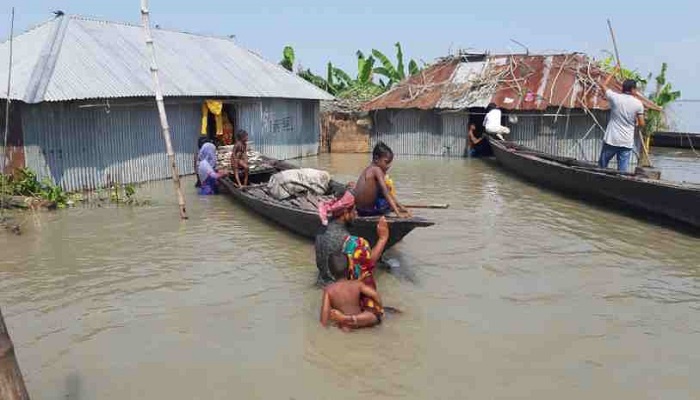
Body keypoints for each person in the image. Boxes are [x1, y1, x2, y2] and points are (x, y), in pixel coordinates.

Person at [315, 198, 389, 285]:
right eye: (354, 211)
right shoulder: (355, 242)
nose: (356, 214)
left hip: (322, 286)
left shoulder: (320, 232)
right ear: (346, 213)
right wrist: (383, 238)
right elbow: (367, 265)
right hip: (343, 292)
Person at [319, 251, 383, 331]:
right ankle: (348, 318)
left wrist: (323, 324)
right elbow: (374, 294)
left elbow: (324, 313)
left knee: (343, 327)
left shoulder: (329, 290)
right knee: (372, 315)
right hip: (360, 320)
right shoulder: (357, 284)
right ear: (350, 268)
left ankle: (344, 319)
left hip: (346, 325)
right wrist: (380, 308)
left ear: (330, 272)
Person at [598, 69, 645, 172]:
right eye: (635, 89)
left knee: (602, 166)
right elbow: (642, 123)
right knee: (622, 171)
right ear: (633, 89)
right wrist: (636, 123)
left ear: (623, 88)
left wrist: (614, 71)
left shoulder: (615, 98)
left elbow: (603, 85)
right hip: (626, 141)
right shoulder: (638, 104)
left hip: (612, 139)